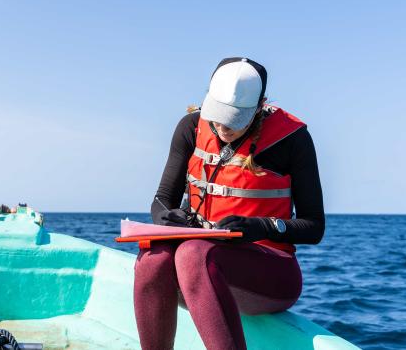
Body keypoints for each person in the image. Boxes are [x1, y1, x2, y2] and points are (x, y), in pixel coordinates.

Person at [133, 57, 325, 350]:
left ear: (259, 106)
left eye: (235, 118)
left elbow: (314, 227)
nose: (223, 126)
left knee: (193, 254)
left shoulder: (294, 140)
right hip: (198, 271)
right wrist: (166, 218)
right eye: (219, 114)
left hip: (269, 275)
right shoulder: (190, 127)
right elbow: (161, 200)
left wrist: (261, 227)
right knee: (153, 258)